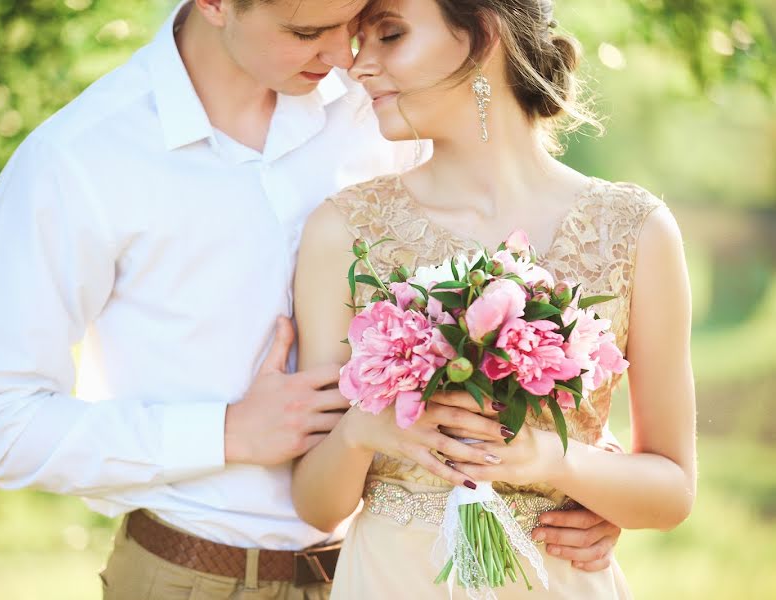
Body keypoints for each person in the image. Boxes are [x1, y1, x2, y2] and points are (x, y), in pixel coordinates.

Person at [0, 1, 628, 598]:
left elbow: (489, 289)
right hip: (190, 576)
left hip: (388, 572)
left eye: (358, 23)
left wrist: (579, 472)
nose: (344, 56)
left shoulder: (387, 106)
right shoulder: (80, 161)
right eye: (311, 31)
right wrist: (224, 432)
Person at [291, 0, 697, 598]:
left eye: (389, 35)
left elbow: (672, 493)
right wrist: (361, 431)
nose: (359, 66)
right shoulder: (344, 231)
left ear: (484, 34)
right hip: (392, 579)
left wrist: (555, 462)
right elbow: (316, 506)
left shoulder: (635, 229)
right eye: (359, 42)